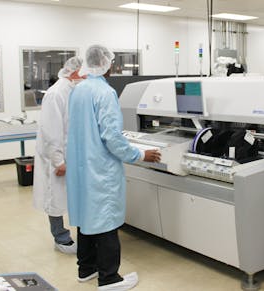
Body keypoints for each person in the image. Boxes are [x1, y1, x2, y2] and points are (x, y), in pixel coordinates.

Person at [66, 45, 161, 290]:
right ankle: (109, 278)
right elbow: (112, 138)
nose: (114, 67)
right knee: (106, 221)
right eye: (112, 63)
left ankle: (86, 269)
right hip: (100, 169)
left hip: (81, 166)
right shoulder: (105, 93)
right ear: (106, 64)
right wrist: (140, 154)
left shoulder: (78, 90)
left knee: (87, 217)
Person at [32, 56, 84, 254]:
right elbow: (52, 131)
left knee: (66, 197)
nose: (87, 76)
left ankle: (72, 236)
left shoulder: (73, 90)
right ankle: (61, 238)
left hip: (70, 154)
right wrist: (58, 161)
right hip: (57, 156)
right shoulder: (56, 93)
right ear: (74, 72)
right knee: (55, 196)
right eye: (84, 73)